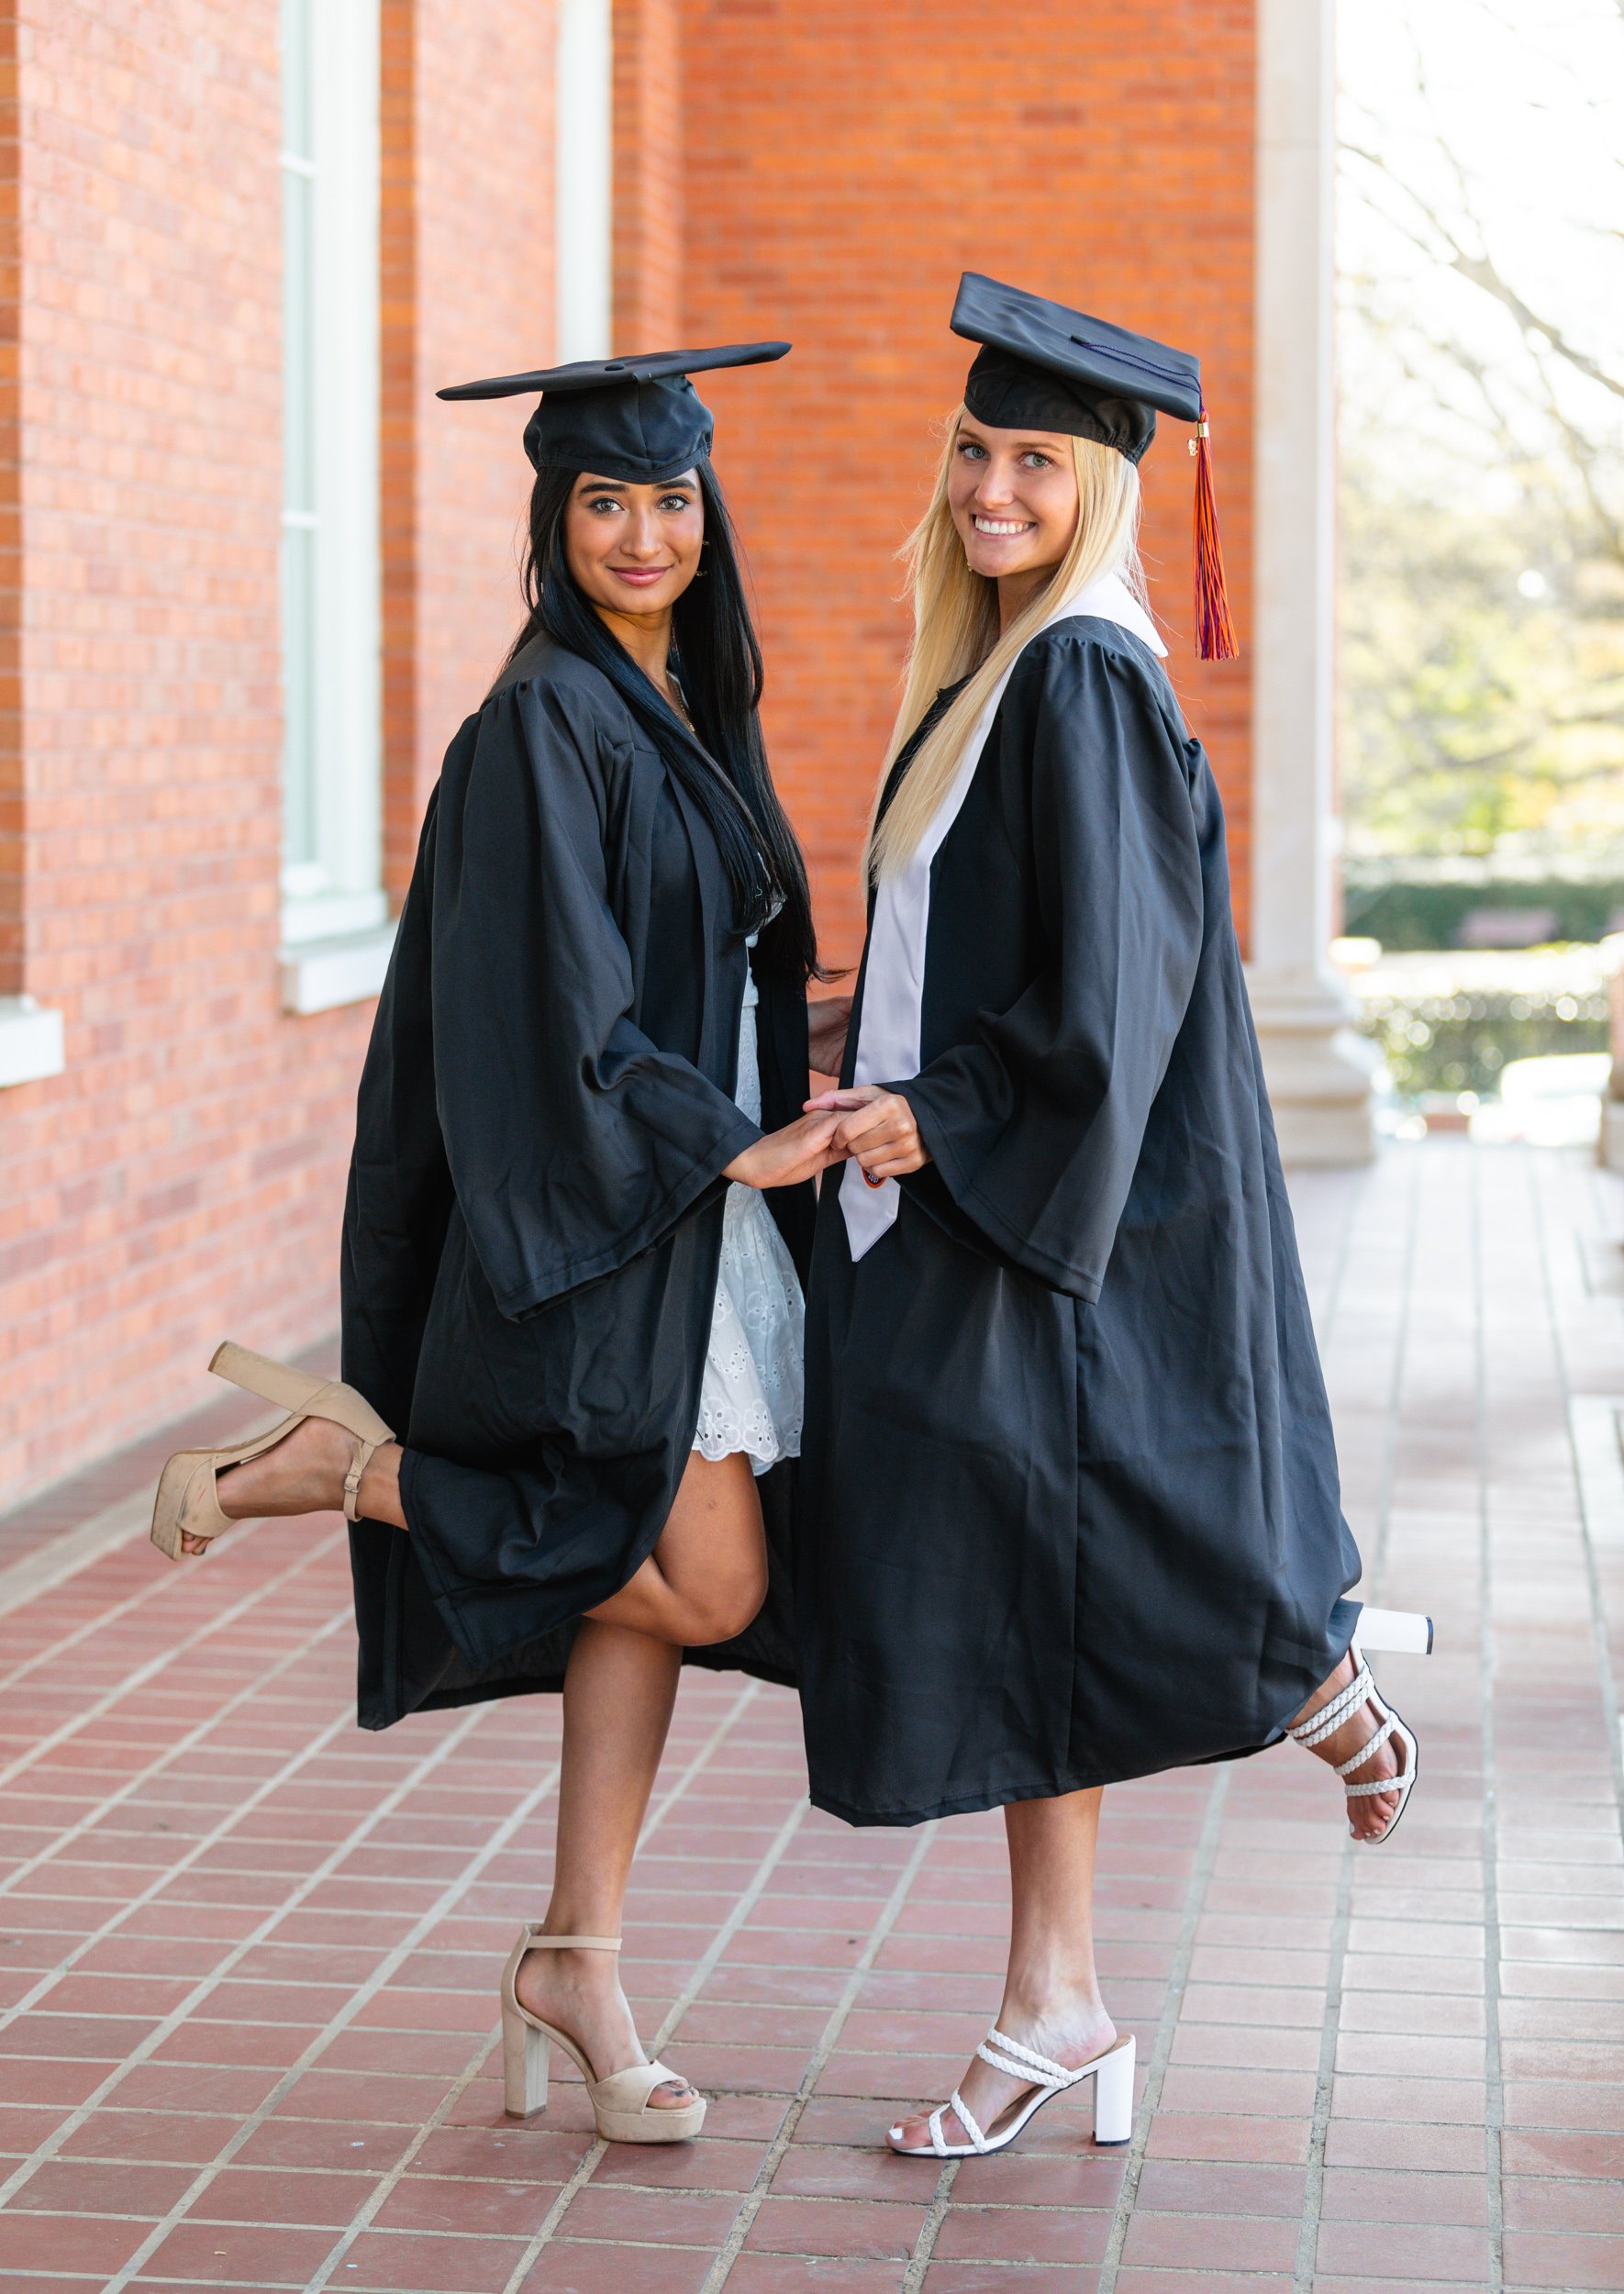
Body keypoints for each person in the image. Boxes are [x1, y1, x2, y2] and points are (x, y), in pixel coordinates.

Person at [150, 342, 848, 2146]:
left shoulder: (676, 695)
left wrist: (822, 1072)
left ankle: (579, 1956)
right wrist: (728, 1129)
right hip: (614, 1212)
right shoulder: (548, 716)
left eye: (670, 497)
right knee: (706, 1577)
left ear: (709, 512)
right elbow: (559, 1005)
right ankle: (356, 1471)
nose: (641, 530)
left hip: (690, 1210)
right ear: (552, 520)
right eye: (602, 500)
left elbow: (710, 955)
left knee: (659, 1604)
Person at [795, 274, 1422, 2162]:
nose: (994, 489)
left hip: (1064, 1197)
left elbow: (1116, 986)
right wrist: (860, 1044)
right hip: (997, 1178)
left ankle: (1296, 1657)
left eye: (1035, 463)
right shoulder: (996, 667)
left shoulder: (1079, 669)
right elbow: (991, 942)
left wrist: (937, 1114)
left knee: (1013, 1509)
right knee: (1011, 1568)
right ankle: (1057, 1994)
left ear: (1100, 488)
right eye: (975, 452)